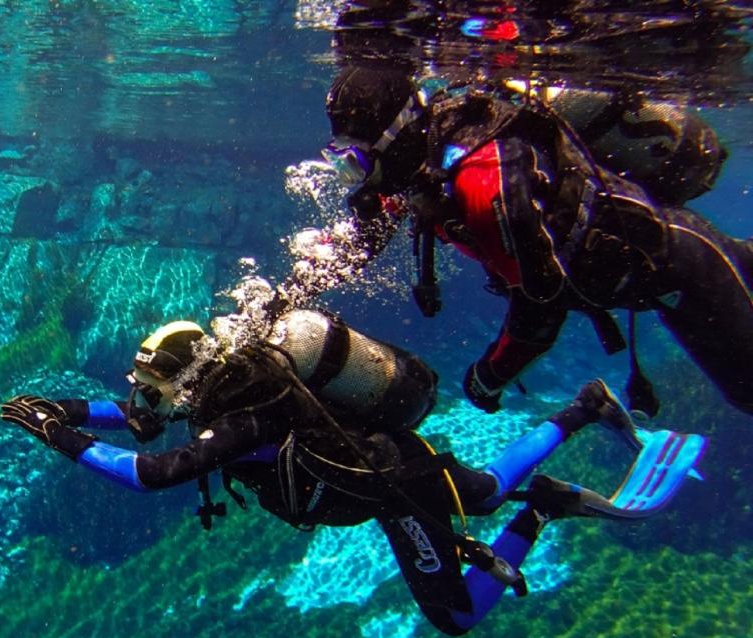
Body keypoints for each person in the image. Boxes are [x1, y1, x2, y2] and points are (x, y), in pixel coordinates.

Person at [0, 310, 706, 635]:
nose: (142, 398)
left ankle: (546, 501)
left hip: (394, 484)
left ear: (185, 378)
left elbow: (149, 472)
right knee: (487, 491)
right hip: (387, 464)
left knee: (457, 612)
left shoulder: (244, 416)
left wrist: (59, 436)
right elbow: (142, 420)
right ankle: (584, 410)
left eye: (151, 384)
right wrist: (66, 408)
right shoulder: (222, 391)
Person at [321, 66, 753, 416]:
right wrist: (307, 281)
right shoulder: (423, 162)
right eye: (343, 163)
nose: (358, 180)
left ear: (395, 137)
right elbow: (373, 230)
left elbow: (540, 307)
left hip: (683, 267)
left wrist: (488, 378)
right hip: (661, 264)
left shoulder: (481, 184)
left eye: (356, 162)